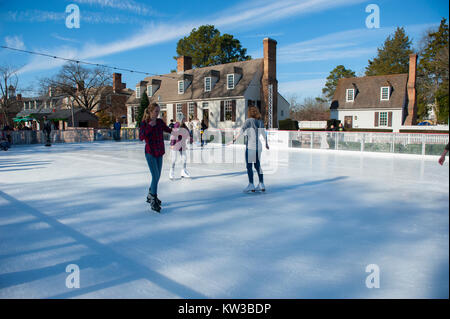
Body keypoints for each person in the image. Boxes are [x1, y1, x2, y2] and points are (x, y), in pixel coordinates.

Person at [139, 103, 172, 213]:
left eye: (158, 111)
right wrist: (150, 126)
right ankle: (153, 198)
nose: (158, 113)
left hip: (160, 152)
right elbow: (141, 137)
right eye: (156, 111)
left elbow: (168, 130)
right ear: (150, 111)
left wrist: (177, 129)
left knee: (157, 176)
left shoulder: (159, 122)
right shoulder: (145, 123)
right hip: (151, 152)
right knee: (155, 175)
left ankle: (150, 194)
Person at [231, 106, 269, 193]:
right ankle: (261, 183)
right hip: (258, 147)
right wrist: (266, 143)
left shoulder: (248, 121)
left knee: (249, 166)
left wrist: (235, 138)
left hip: (251, 146)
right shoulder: (260, 122)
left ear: (250, 113)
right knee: (257, 165)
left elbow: (241, 130)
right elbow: (264, 134)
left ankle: (251, 184)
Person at [169, 113, 191, 179]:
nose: (185, 119)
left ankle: (183, 171)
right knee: (174, 159)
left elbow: (188, 133)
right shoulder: (177, 125)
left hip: (182, 143)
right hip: (176, 143)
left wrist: (190, 138)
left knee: (184, 158)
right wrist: (172, 144)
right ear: (181, 119)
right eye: (184, 118)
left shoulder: (184, 125)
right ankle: (171, 172)